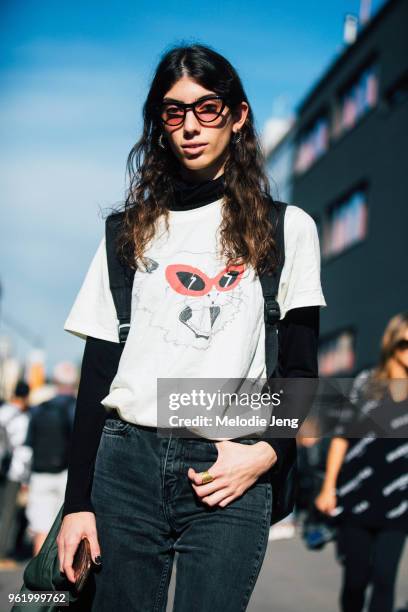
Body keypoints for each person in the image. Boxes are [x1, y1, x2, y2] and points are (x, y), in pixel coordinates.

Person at [58, 43, 326, 611]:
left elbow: (300, 369)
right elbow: (98, 374)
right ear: (160, 125)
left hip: (230, 464)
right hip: (125, 463)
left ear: (238, 115)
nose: (191, 126)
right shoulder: (125, 233)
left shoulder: (288, 229)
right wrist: (76, 503)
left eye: (208, 108)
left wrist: (267, 453)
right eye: (174, 113)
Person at [315, 312, 408, 612]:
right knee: (356, 579)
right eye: (405, 343)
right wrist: (328, 487)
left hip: (399, 503)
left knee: (384, 579)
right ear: (391, 344)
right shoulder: (364, 383)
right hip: (356, 495)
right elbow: (341, 437)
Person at [25, 362, 77, 556]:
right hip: (67, 475)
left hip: (40, 473)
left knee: (41, 527)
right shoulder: (78, 409)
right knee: (65, 527)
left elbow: (27, 445)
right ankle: (58, 575)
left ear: (55, 381)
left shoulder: (39, 409)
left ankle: (39, 577)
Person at [0, 380, 31, 563]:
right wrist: (26, 479)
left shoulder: (3, 411)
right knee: (8, 512)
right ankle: (3, 550)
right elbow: (24, 451)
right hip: (14, 471)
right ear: (26, 396)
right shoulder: (22, 418)